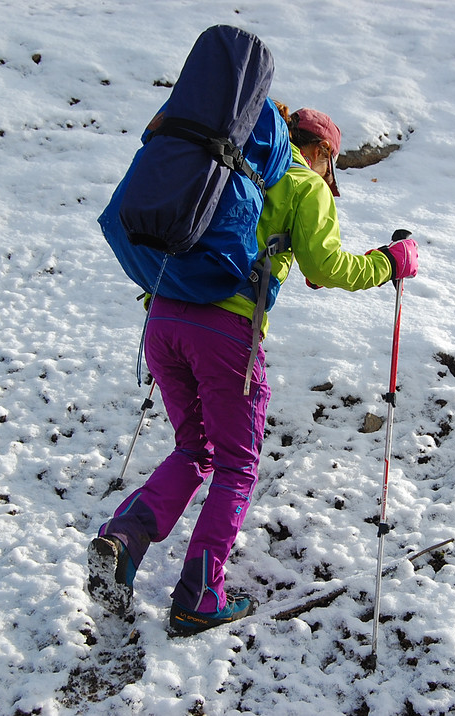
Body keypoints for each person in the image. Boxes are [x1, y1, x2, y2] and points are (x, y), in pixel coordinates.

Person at [87, 104, 419, 635]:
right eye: (329, 167)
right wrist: (390, 261)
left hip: (164, 318)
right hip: (225, 335)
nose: (326, 178)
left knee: (195, 448)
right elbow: (329, 267)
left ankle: (123, 540)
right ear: (319, 154)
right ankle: (199, 595)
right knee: (237, 466)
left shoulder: (228, 165)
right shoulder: (301, 185)